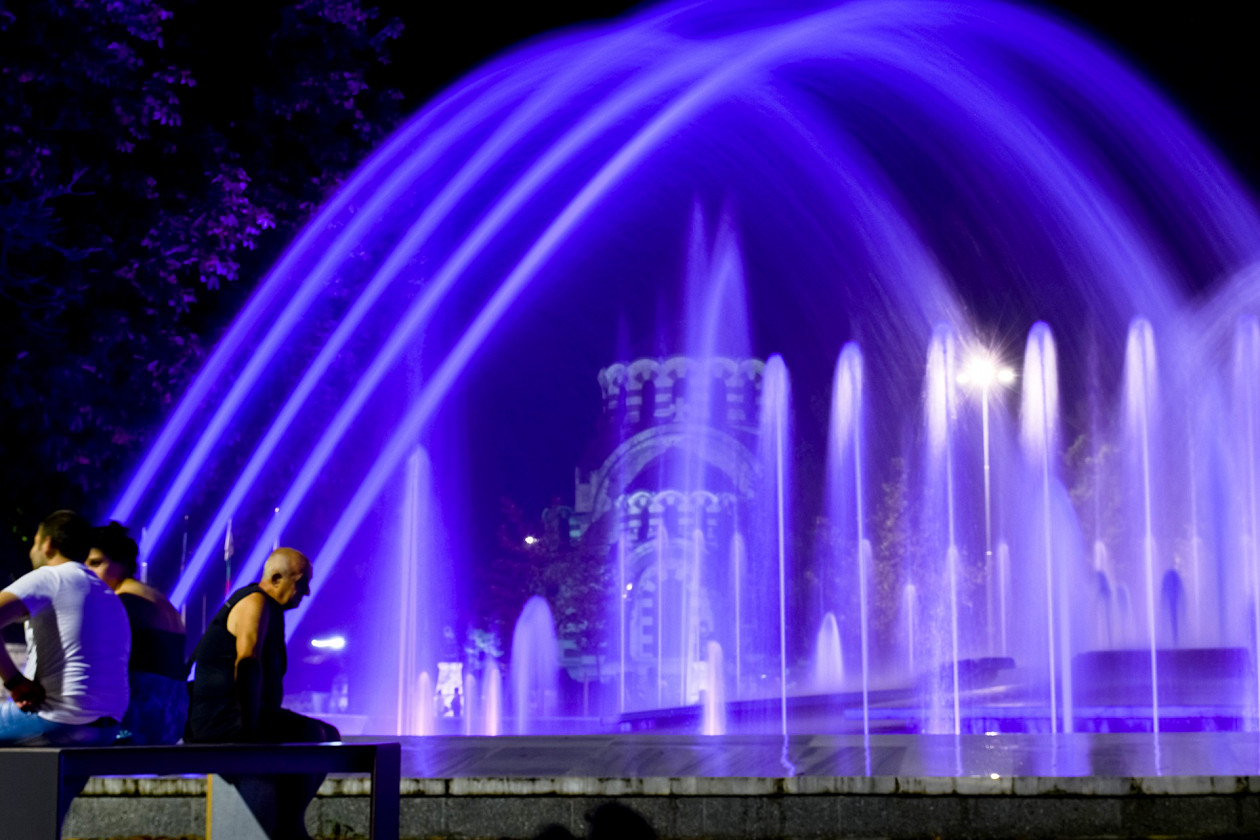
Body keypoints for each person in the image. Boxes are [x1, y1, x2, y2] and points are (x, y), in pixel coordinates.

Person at [186, 547, 338, 838]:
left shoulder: (269, 608)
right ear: (277, 578)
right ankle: (289, 827)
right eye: (301, 582)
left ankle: (290, 821)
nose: (306, 592)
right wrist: (250, 728)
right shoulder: (254, 602)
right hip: (223, 719)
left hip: (241, 714)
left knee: (328, 736)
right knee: (313, 735)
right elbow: (247, 661)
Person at [0, 510, 130, 745]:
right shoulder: (105, 592)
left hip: (59, 718)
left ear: (47, 544)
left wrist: (14, 682)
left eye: (34, 542)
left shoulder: (50, 577)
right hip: (108, 727)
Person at [87, 521, 187, 744]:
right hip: (173, 716)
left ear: (123, 564)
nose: (87, 572)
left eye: (96, 563)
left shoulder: (123, 601)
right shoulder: (156, 597)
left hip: (139, 717)